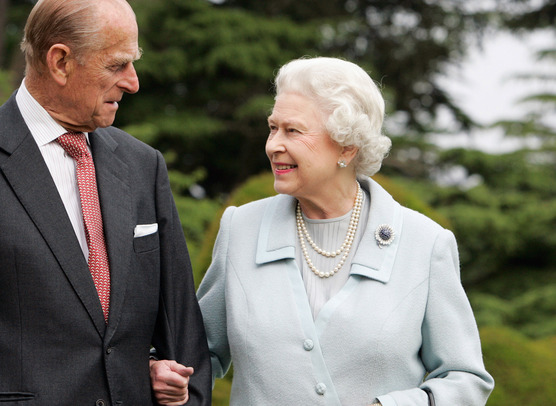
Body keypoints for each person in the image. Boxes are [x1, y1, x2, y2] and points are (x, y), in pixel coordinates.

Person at [0, 0, 210, 405]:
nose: (132, 82)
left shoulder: (143, 166)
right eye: (117, 65)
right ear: (60, 61)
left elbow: (183, 336)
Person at [156, 57, 494, 405]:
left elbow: (465, 379)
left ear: (347, 146)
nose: (273, 145)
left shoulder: (425, 244)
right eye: (273, 128)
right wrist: (167, 375)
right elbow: (196, 356)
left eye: (293, 131)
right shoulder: (240, 229)